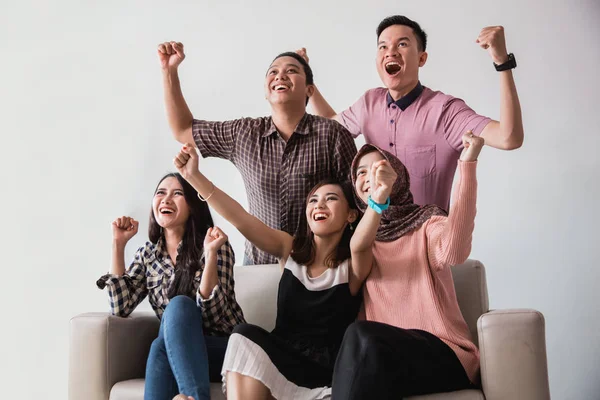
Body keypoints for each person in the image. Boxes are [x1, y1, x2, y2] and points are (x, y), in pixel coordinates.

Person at [173, 142, 392, 399]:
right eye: (313, 200)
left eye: (330, 199)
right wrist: (193, 177)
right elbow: (241, 219)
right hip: (280, 357)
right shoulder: (289, 249)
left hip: (323, 370)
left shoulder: (353, 265)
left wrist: (378, 199)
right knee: (243, 335)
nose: (319, 205)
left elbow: (361, 242)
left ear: (351, 216)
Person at [158, 42, 357, 265]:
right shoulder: (244, 133)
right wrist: (169, 71)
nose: (280, 76)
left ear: (310, 89)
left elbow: (356, 204)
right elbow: (183, 130)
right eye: (273, 72)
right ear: (266, 91)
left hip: (320, 264)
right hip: (259, 262)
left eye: (291, 70)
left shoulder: (333, 134)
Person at [298, 15, 522, 210]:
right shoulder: (369, 102)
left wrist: (502, 62)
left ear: (422, 58)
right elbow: (331, 127)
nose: (390, 52)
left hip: (427, 247)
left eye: (402, 44)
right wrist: (308, 80)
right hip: (375, 242)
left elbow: (508, 137)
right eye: (383, 46)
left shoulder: (445, 111)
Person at [329, 133, 484, 399]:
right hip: (382, 362)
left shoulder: (426, 223)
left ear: (396, 176)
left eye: (378, 168)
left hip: (444, 354)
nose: (368, 178)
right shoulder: (359, 240)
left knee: (362, 337)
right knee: (361, 352)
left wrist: (467, 165)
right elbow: (356, 248)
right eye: (361, 173)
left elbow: (455, 252)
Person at [96, 172, 245, 400]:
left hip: (225, 350)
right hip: (178, 350)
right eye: (160, 193)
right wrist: (118, 244)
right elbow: (120, 306)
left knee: (178, 308)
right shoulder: (148, 255)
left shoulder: (215, 245)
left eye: (177, 194)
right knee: (160, 347)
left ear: (193, 206)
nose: (166, 199)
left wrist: (211, 254)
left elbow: (213, 316)